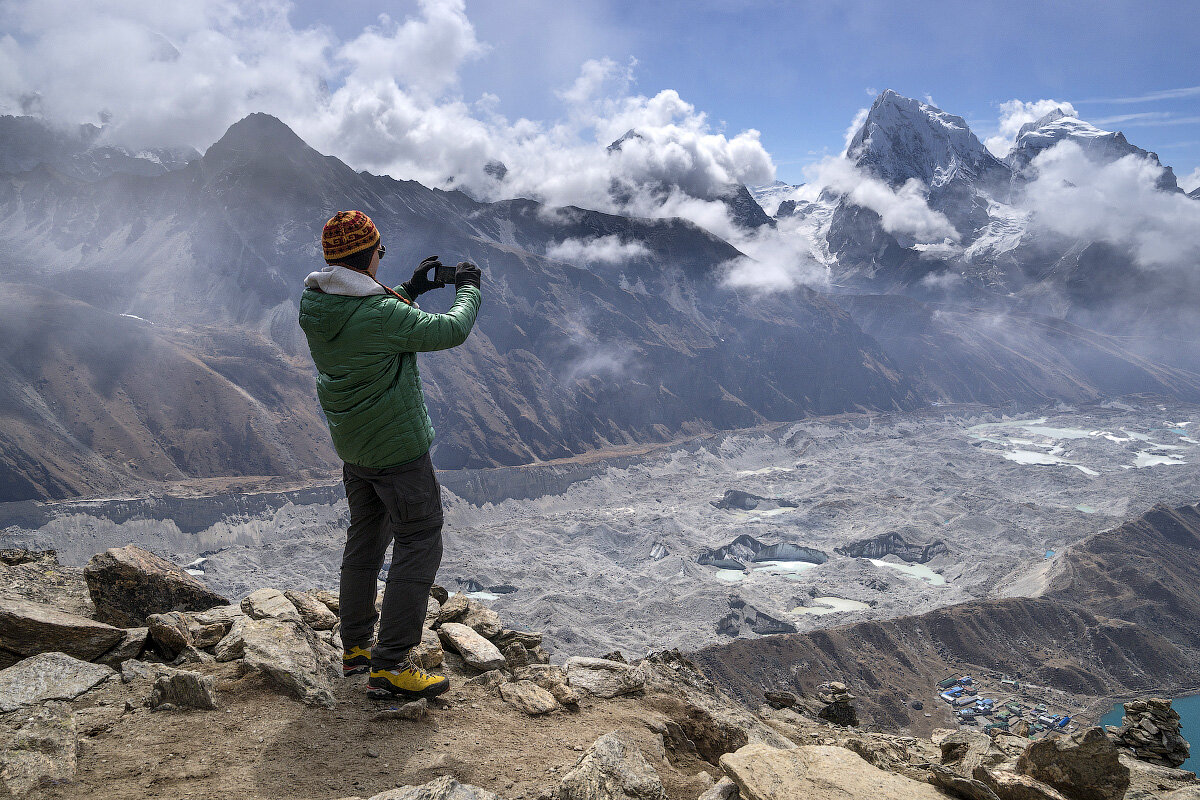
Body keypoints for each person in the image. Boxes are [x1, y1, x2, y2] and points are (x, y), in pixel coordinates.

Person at [298, 210, 481, 699]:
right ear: (368, 255)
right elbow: (449, 332)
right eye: (381, 250)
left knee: (366, 540)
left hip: (355, 445)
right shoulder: (380, 313)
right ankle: (392, 664)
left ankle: (357, 648)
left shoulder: (315, 302)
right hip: (397, 448)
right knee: (419, 541)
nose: (383, 256)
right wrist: (469, 289)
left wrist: (411, 288)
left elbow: (369, 312)